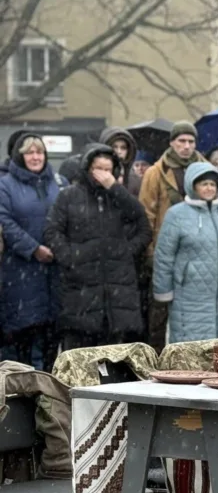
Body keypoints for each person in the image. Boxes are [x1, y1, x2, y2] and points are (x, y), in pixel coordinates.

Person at [44, 144, 151, 350]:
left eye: (107, 169)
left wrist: (127, 253)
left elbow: (143, 225)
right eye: (98, 168)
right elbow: (52, 230)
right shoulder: (69, 196)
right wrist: (70, 257)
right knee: (81, 355)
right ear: (88, 168)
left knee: (114, 357)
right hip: (81, 287)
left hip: (117, 287)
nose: (103, 175)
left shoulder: (119, 197)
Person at [152, 162, 218, 343]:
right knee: (191, 348)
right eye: (204, 184)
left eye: (213, 184)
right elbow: (164, 255)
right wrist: (163, 290)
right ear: (192, 186)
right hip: (189, 294)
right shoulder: (176, 214)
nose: (209, 188)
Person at [139, 121, 205, 352]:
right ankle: (155, 362)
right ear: (172, 143)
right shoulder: (155, 173)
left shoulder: (205, 169)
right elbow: (146, 214)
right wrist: (150, 252)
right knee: (158, 316)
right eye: (181, 141)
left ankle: (188, 359)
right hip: (163, 253)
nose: (186, 146)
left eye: (191, 141)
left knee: (193, 316)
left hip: (197, 254)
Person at [0, 134, 61, 369]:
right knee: (23, 338)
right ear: (19, 156)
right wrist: (33, 248)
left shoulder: (57, 182)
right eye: (30, 152)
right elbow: (5, 222)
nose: (35, 157)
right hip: (20, 271)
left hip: (54, 272)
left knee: (50, 340)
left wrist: (59, 246)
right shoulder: (6, 185)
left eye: (40, 152)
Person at [99, 127, 143, 196]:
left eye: (123, 148)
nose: (118, 151)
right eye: (114, 147)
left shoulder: (135, 180)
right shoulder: (96, 176)